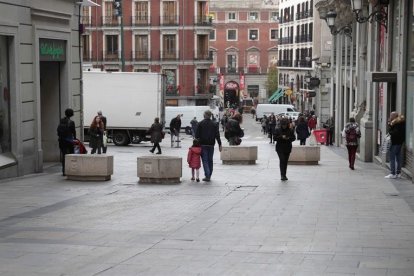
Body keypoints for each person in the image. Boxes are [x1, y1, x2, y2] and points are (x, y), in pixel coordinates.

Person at [195, 110, 222, 182]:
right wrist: (220, 144)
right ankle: (209, 174)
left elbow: (196, 136)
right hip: (211, 145)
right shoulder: (214, 124)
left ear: (205, 115)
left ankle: (207, 175)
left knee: (205, 160)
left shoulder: (200, 123)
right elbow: (217, 135)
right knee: (210, 160)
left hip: (203, 144)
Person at [385, 111, 405, 179]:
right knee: (398, 158)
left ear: (394, 116)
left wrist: (390, 127)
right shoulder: (400, 122)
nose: (390, 117)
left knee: (392, 158)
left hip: (394, 143)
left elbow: (394, 133)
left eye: (391, 115)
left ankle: (393, 173)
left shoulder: (396, 124)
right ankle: (398, 173)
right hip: (399, 142)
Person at [57, 108, 76, 176]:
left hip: (61, 141)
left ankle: (64, 171)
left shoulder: (61, 121)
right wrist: (75, 139)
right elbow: (74, 132)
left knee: (64, 155)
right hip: (69, 141)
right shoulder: (71, 122)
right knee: (71, 155)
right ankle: (70, 169)